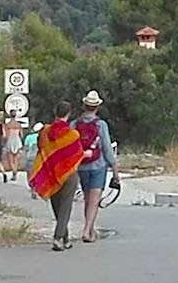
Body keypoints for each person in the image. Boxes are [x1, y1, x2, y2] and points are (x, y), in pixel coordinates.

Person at [29, 101, 83, 252]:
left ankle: (65, 238)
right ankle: (58, 238)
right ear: (69, 113)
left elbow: (41, 149)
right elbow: (77, 154)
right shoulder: (73, 135)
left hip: (50, 172)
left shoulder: (45, 132)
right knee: (65, 207)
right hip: (68, 173)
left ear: (55, 112)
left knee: (56, 206)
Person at [74, 90, 120, 243]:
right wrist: (115, 171)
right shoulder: (101, 125)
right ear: (97, 107)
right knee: (94, 200)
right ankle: (87, 231)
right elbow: (107, 149)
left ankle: (90, 229)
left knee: (87, 199)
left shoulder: (74, 124)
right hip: (98, 166)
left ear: (84, 105)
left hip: (81, 166)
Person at [3, 112, 24, 182]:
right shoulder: (18, 124)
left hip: (10, 140)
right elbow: (22, 135)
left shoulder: (8, 125)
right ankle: (15, 171)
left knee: (10, 159)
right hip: (17, 141)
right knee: (16, 159)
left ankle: (13, 171)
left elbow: (5, 135)